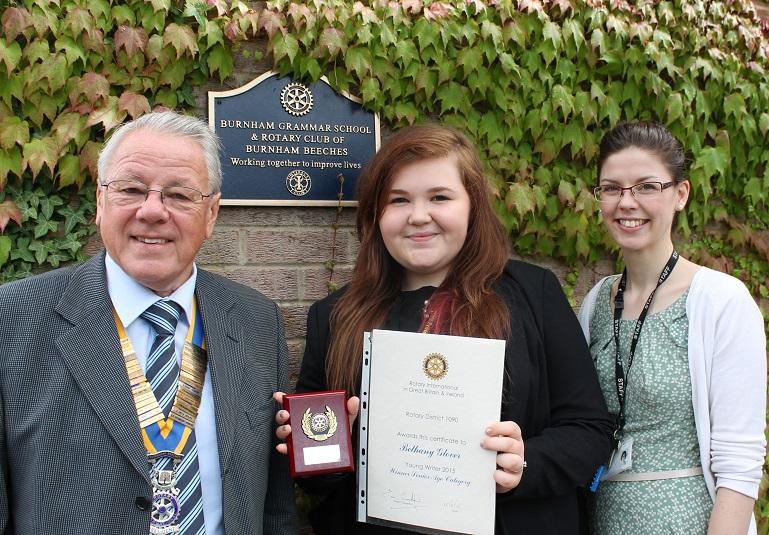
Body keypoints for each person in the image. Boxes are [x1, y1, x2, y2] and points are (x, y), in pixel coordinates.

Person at [275, 124, 615, 534]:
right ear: (376, 215)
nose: (419, 216)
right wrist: (327, 444)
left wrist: (525, 462)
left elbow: (590, 429)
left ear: (472, 205)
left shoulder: (533, 294)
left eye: (439, 197)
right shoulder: (335, 316)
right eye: (399, 200)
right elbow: (317, 478)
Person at [0, 111, 297, 534]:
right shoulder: (12, 319)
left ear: (211, 214)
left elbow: (275, 507)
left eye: (179, 195)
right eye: (132, 189)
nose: (153, 211)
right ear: (101, 203)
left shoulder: (256, 319)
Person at [578, 121, 766, 535]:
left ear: (680, 194)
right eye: (611, 188)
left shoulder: (722, 302)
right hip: (601, 520)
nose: (626, 202)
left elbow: (740, 462)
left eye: (646, 186)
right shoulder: (595, 304)